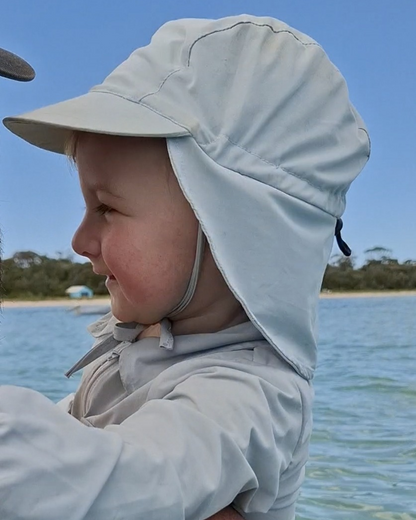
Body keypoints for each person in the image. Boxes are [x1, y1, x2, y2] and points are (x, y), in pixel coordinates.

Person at [2, 14, 370, 520]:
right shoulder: (137, 348)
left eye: (106, 208)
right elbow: (68, 435)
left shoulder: (249, 396)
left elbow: (129, 481)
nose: (80, 240)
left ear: (228, 225)